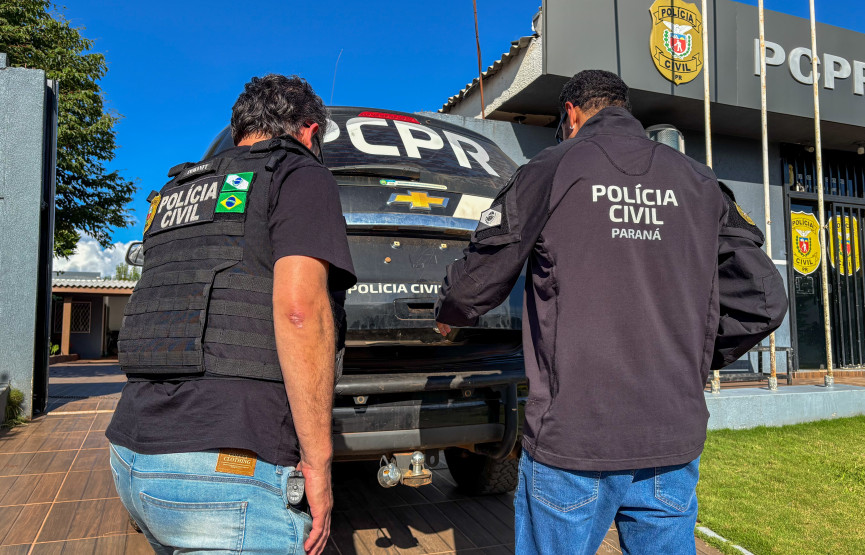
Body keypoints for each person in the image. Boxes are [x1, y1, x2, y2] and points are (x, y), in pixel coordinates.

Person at [435, 70, 787, 555]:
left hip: (575, 437)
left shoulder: (552, 168)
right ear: (622, 108)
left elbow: (477, 280)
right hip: (669, 436)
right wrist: (691, 357)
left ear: (571, 114)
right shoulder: (699, 180)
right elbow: (764, 301)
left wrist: (449, 311)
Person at [107, 74, 356, 555]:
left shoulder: (174, 191)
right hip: (226, 474)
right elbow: (301, 313)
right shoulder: (298, 172)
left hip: (132, 456)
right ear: (309, 131)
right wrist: (319, 464)